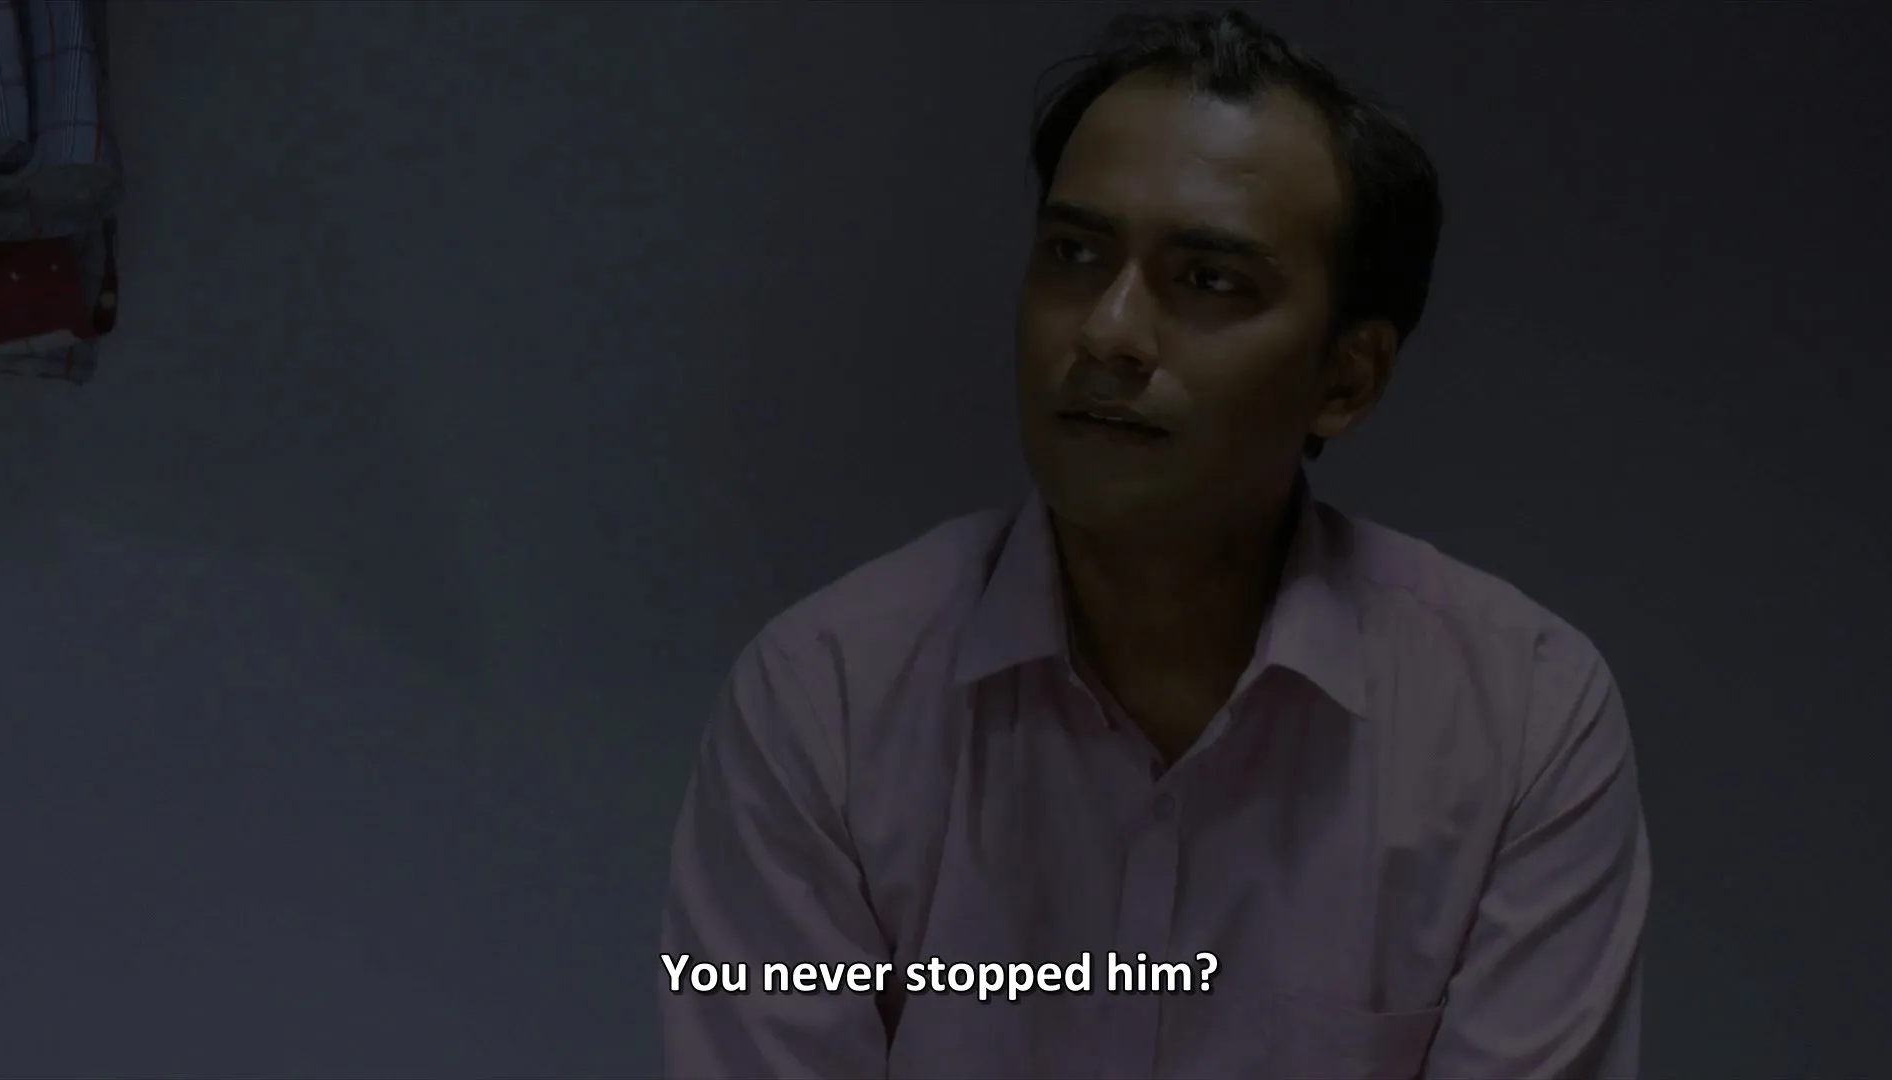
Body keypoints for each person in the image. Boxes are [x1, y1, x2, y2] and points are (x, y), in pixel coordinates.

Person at [660, 9, 1649, 1078]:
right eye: (1074, 255)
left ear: (1347, 377)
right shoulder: (827, 702)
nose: (1108, 332)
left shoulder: (1519, 720)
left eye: (1208, 279)